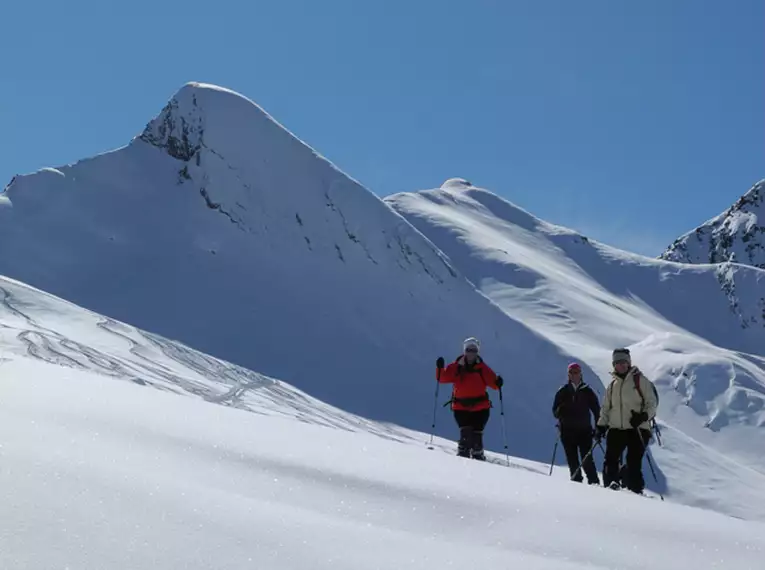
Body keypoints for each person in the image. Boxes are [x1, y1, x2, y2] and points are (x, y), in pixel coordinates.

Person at [596, 348, 658, 494]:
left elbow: (652, 403)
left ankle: (635, 490)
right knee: (610, 459)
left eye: (623, 362)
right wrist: (600, 426)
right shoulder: (612, 386)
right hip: (616, 427)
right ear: (613, 365)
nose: (620, 366)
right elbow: (606, 408)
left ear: (629, 363)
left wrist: (643, 416)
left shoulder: (640, 380)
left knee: (633, 461)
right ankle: (610, 488)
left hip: (638, 428)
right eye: (617, 363)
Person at [436, 337, 503, 461]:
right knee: (466, 435)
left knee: (476, 435)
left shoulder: (482, 368)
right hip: (461, 407)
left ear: (477, 351)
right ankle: (466, 459)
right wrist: (439, 368)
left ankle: (475, 457)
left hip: (480, 408)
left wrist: (498, 382)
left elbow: (494, 385)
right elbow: (442, 378)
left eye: (473, 350)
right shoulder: (456, 367)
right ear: (464, 351)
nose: (471, 353)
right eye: (469, 350)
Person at [552, 362, 601, 485]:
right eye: (571, 373)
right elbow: (555, 411)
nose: (574, 375)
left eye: (576, 372)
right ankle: (576, 483)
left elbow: (596, 410)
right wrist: (560, 410)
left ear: (580, 374)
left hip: (584, 431)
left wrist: (599, 427)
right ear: (568, 375)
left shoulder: (587, 391)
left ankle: (593, 482)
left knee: (587, 459)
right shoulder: (562, 391)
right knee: (572, 460)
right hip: (567, 431)